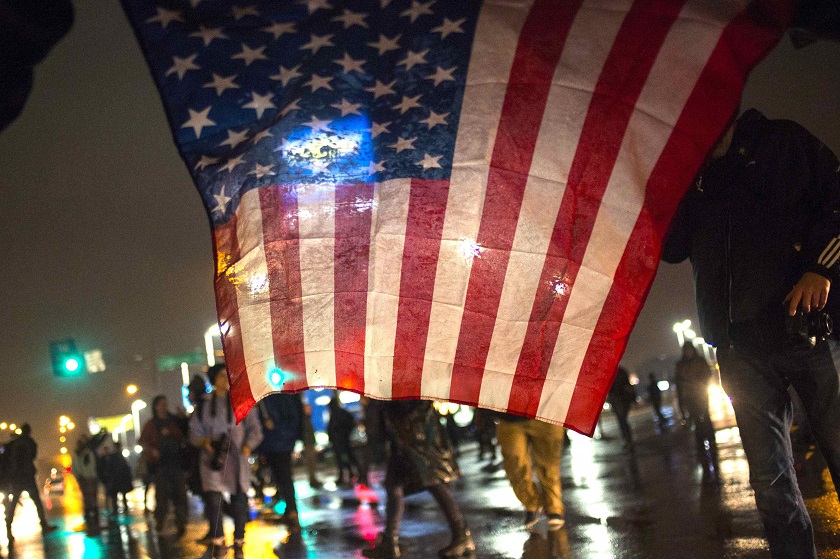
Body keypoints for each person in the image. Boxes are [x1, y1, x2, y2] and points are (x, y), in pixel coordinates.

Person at [663, 108, 840, 559]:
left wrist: (820, 268)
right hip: (738, 345)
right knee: (769, 481)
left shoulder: (782, 141)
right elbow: (671, 247)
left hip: (806, 327)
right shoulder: (695, 174)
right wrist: (682, 178)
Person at [363, 400, 474, 559]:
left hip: (417, 441)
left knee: (434, 484)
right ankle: (390, 543)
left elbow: (414, 409)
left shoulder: (409, 387)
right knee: (395, 486)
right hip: (406, 440)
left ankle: (462, 536)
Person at [190, 363, 263, 559]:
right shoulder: (204, 405)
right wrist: (204, 442)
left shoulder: (239, 402)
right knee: (214, 501)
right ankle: (219, 542)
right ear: (214, 379)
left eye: (227, 376)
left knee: (239, 500)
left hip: (236, 458)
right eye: (221, 376)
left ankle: (239, 541)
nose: (225, 380)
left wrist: (247, 445)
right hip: (212, 459)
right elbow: (194, 431)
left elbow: (255, 428)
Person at [496, 414, 566, 530]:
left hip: (546, 412)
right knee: (514, 463)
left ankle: (554, 507)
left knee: (549, 465)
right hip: (509, 415)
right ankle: (531, 503)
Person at [139, 394, 188, 537]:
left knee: (180, 495)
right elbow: (143, 442)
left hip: (176, 463)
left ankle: (181, 523)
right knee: (162, 496)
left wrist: (176, 426)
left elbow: (183, 434)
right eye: (161, 404)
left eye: (165, 403)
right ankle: (160, 520)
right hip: (161, 465)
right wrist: (152, 451)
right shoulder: (151, 424)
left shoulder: (173, 420)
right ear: (155, 406)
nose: (164, 406)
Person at [256, 392, 304, 530]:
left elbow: (292, 419)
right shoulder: (263, 400)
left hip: (282, 445)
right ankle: (289, 510)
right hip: (271, 445)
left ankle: (292, 511)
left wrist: (275, 426)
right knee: (279, 478)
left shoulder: (283, 397)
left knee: (285, 477)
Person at [4, 424, 56, 544]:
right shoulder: (28, 442)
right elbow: (33, 455)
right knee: (37, 502)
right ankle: (44, 525)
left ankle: (8, 529)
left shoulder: (15, 443)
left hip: (17, 478)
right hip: (27, 478)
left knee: (13, 504)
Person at [674, 343, 717, 456]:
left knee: (706, 416)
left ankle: (711, 440)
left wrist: (700, 383)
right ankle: (700, 443)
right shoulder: (681, 365)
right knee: (696, 420)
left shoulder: (700, 361)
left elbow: (707, 374)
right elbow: (678, 383)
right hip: (690, 396)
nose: (688, 352)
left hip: (701, 394)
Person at [72, 432, 106, 536]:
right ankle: (93, 520)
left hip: (87, 478)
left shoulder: (81, 452)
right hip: (89, 478)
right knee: (91, 499)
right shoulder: (86, 452)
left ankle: (90, 519)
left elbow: (76, 467)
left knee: (89, 499)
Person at [327, 397, 359, 487]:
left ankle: (348, 474)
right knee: (345, 458)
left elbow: (333, 429)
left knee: (344, 459)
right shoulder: (339, 413)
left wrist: (344, 433)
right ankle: (351, 473)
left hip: (341, 442)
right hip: (341, 442)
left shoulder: (337, 414)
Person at [100, 441, 134, 517]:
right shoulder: (120, 457)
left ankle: (116, 510)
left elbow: (109, 469)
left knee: (115, 497)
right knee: (121, 495)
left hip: (115, 480)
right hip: (120, 479)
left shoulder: (113, 457)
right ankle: (124, 509)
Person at [606, 366, 636, 449]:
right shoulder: (621, 371)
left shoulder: (611, 373)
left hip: (618, 399)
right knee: (623, 420)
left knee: (622, 420)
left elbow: (610, 388)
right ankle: (628, 439)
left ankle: (627, 439)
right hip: (622, 399)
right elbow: (628, 385)